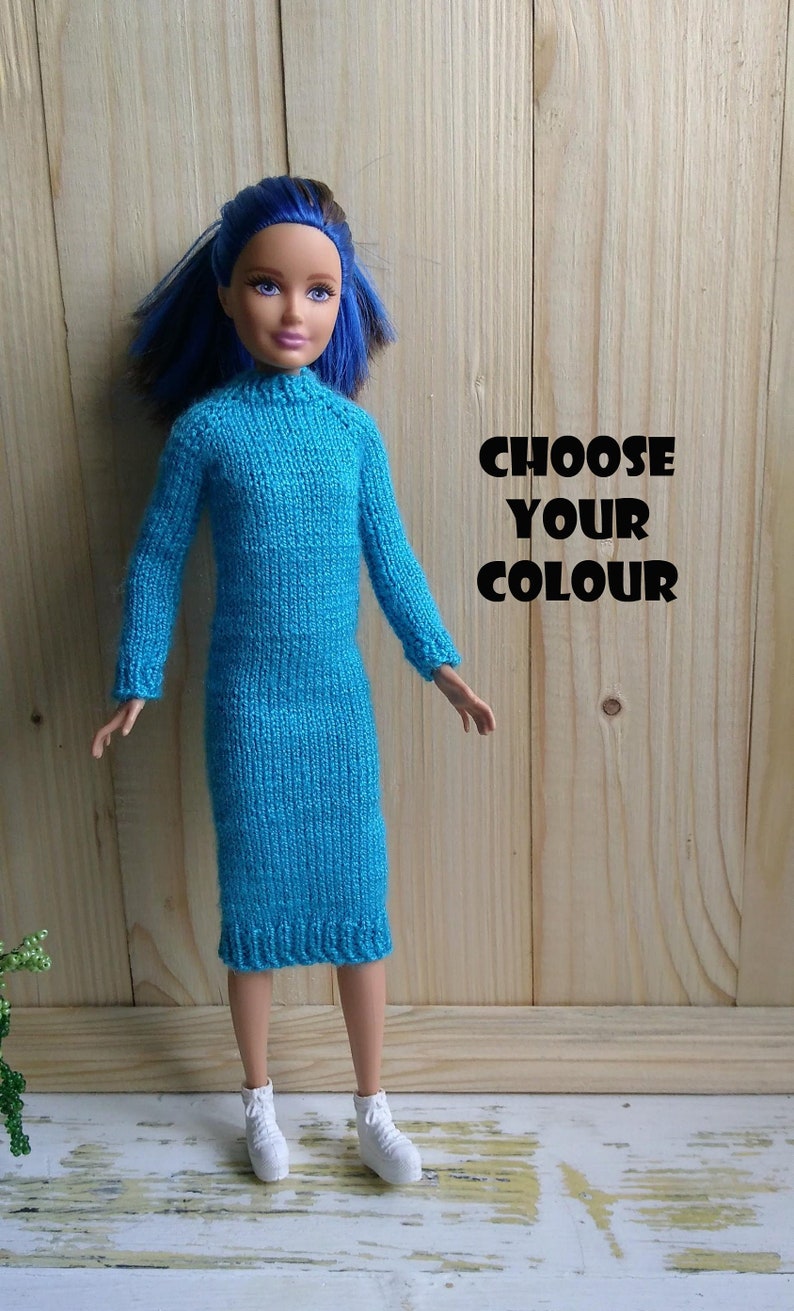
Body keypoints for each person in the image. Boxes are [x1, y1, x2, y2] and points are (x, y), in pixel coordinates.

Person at [91, 175, 495, 1186]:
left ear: (343, 304)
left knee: (360, 907)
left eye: (320, 291)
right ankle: (259, 1100)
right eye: (269, 285)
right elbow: (156, 557)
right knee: (256, 917)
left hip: (335, 704)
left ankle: (372, 1105)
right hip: (246, 704)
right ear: (227, 294)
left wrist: (440, 663)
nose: (293, 311)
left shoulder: (352, 434)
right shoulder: (207, 431)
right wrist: (137, 675)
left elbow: (391, 559)